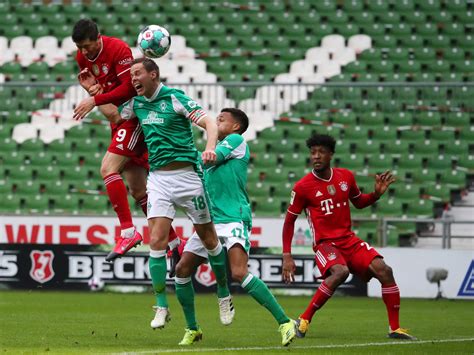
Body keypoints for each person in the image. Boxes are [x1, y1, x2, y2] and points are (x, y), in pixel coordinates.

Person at [102, 57, 231, 340]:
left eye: (137, 74)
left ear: (153, 74)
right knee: (156, 241)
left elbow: (209, 121)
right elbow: (114, 116)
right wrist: (93, 93)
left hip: (187, 177)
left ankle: (223, 292)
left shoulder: (174, 98)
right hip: (158, 179)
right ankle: (161, 305)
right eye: (131, 74)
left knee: (210, 240)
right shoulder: (136, 104)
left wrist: (210, 147)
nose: (132, 78)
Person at [173, 108, 297, 346]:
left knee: (239, 272)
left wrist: (179, 156)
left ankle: (284, 321)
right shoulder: (212, 148)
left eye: (221, 119)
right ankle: (192, 328)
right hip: (209, 221)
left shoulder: (236, 141)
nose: (215, 121)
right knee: (182, 269)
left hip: (233, 218)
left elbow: (210, 158)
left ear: (235, 126)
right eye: (215, 118)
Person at [281, 134, 416, 341]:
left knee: (385, 271)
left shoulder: (346, 177)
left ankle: (394, 329)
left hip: (349, 240)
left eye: (321, 152)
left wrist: (376, 194)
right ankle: (304, 320)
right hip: (325, 244)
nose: (316, 156)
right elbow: (289, 222)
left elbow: (359, 202)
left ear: (331, 155)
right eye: (313, 152)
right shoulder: (302, 187)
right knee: (340, 272)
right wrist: (287, 255)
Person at [71, 19, 180, 264]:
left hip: (135, 118)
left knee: (108, 168)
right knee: (138, 190)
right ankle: (175, 244)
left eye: (87, 46)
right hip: (120, 120)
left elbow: (130, 90)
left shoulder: (118, 49)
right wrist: (94, 93)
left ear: (98, 38)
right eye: (80, 47)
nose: (84, 52)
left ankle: (128, 233)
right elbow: (111, 110)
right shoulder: (82, 59)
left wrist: (94, 101)